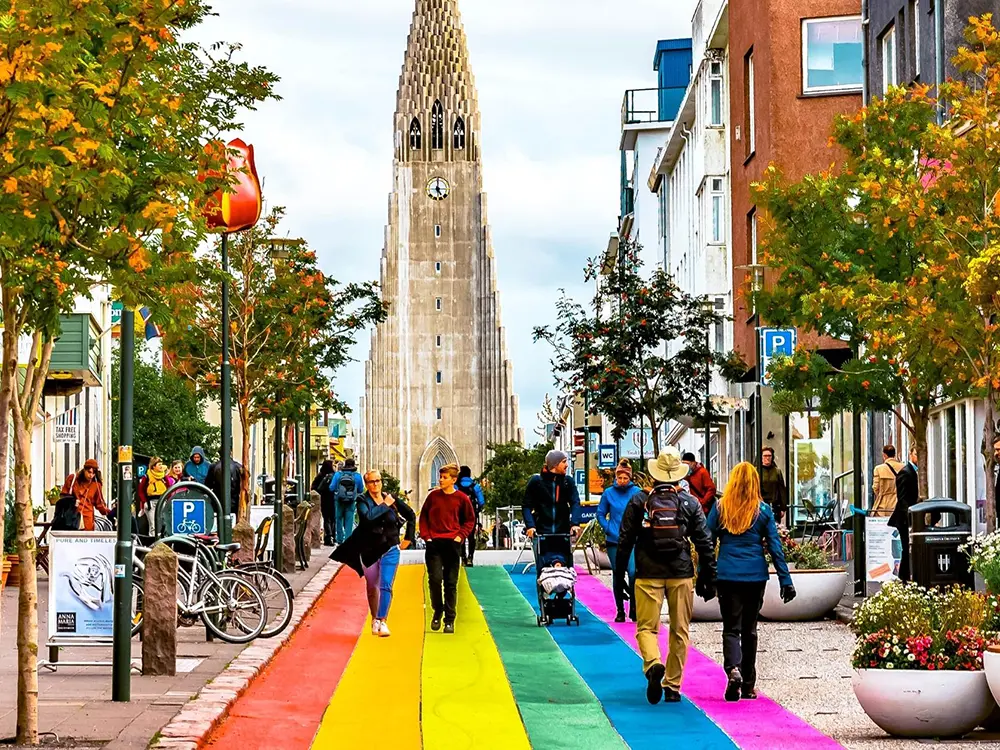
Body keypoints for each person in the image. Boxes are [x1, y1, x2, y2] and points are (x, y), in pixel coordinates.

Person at [615, 446, 716, 705]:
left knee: (646, 628)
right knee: (680, 630)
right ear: (678, 476)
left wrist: (620, 574)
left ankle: (653, 665)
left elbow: (625, 539)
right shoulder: (689, 502)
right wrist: (708, 574)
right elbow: (704, 541)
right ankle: (672, 685)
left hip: (648, 573)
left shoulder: (640, 501)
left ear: (655, 474)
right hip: (680, 572)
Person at [707, 462, 795, 702]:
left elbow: (707, 541)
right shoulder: (763, 511)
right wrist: (786, 580)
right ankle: (747, 684)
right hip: (755, 576)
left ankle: (732, 669)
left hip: (727, 575)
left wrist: (705, 574)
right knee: (750, 630)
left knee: (731, 628)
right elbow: (776, 548)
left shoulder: (721, 508)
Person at [332, 470, 415, 637]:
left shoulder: (391, 498)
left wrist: (409, 537)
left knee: (386, 584)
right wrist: (385, 505)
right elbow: (368, 518)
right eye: (371, 482)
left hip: (391, 548)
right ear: (366, 484)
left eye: (378, 481)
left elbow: (411, 515)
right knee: (372, 586)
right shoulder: (362, 500)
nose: (375, 484)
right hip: (369, 550)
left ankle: (382, 620)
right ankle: (374, 617)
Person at [419, 463, 476, 634]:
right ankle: (437, 610)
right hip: (434, 543)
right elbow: (423, 517)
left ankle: (449, 619)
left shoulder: (462, 499)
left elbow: (469, 520)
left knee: (451, 583)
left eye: (444, 478)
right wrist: (427, 536)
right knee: (435, 580)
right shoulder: (433, 497)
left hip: (452, 544)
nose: (441, 480)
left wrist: (460, 536)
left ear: (453, 480)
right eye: (440, 477)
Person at [597, 460, 642, 622]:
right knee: (618, 574)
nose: (622, 481)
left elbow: (643, 513)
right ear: (615, 477)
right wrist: (608, 528)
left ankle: (634, 607)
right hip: (614, 540)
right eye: (619, 478)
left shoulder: (637, 492)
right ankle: (620, 610)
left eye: (625, 478)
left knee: (632, 572)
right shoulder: (608, 493)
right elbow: (600, 513)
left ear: (630, 477)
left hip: (632, 540)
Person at [522, 450, 583, 559]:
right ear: (555, 464)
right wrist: (530, 526)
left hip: (562, 532)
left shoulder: (568, 482)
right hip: (541, 533)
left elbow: (575, 503)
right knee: (543, 568)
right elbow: (526, 505)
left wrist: (575, 523)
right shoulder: (536, 482)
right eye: (564, 462)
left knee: (565, 567)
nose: (567, 465)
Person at [889, 445, 919, 582]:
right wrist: (910, 518)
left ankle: (906, 576)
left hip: (911, 517)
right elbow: (902, 500)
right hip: (904, 519)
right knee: (907, 548)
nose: (918, 457)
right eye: (916, 454)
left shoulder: (918, 472)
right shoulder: (905, 472)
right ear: (910, 454)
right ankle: (904, 578)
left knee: (909, 549)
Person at [60, 459, 110, 531]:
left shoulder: (96, 485)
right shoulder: (72, 479)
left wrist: (110, 513)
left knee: (86, 540)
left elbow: (100, 504)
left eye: (93, 473)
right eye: (89, 472)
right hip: (71, 517)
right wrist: (73, 501)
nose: (91, 475)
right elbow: (63, 496)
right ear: (84, 469)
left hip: (87, 520)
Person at [329, 458, 364, 546]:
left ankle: (340, 539)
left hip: (339, 500)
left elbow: (331, 488)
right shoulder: (357, 476)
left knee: (338, 518)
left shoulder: (338, 474)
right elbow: (361, 489)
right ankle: (348, 539)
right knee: (349, 519)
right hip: (351, 501)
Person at [457, 465, 485, 567]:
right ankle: (470, 558)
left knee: (461, 536)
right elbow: (481, 502)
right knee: (471, 537)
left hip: (459, 515)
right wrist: (477, 510)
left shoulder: (457, 486)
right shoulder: (475, 486)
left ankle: (463, 558)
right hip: (472, 515)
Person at [137, 456, 169, 535]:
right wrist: (144, 502)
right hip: (150, 502)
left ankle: (163, 541)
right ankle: (153, 542)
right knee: (153, 525)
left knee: (163, 523)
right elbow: (141, 490)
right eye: (159, 465)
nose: (161, 466)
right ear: (153, 466)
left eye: (161, 464)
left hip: (162, 501)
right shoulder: (147, 476)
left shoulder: (163, 476)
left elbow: (168, 487)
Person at [871, 445, 904, 517]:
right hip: (900, 503)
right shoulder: (903, 467)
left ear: (884, 455)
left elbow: (875, 488)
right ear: (894, 454)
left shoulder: (879, 469)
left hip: (884, 505)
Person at [760, 447, 788, 525]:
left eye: (769, 456)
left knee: (775, 526)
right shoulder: (756, 471)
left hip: (775, 505)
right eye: (765, 456)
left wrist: (783, 508)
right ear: (761, 457)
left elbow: (782, 490)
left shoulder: (777, 472)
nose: (767, 458)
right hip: (761, 504)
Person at [311, 460, 337, 546]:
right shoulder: (335, 475)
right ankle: (333, 536)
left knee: (326, 519)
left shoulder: (320, 475)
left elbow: (314, 487)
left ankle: (328, 537)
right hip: (333, 499)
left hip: (324, 499)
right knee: (333, 518)